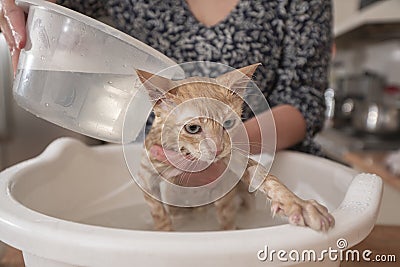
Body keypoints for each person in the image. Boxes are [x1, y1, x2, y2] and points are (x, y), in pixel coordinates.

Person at [0, 0, 332, 185]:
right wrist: (18, 7)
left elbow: (305, 100)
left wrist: (222, 149)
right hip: (139, 169)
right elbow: (49, 10)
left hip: (260, 167)